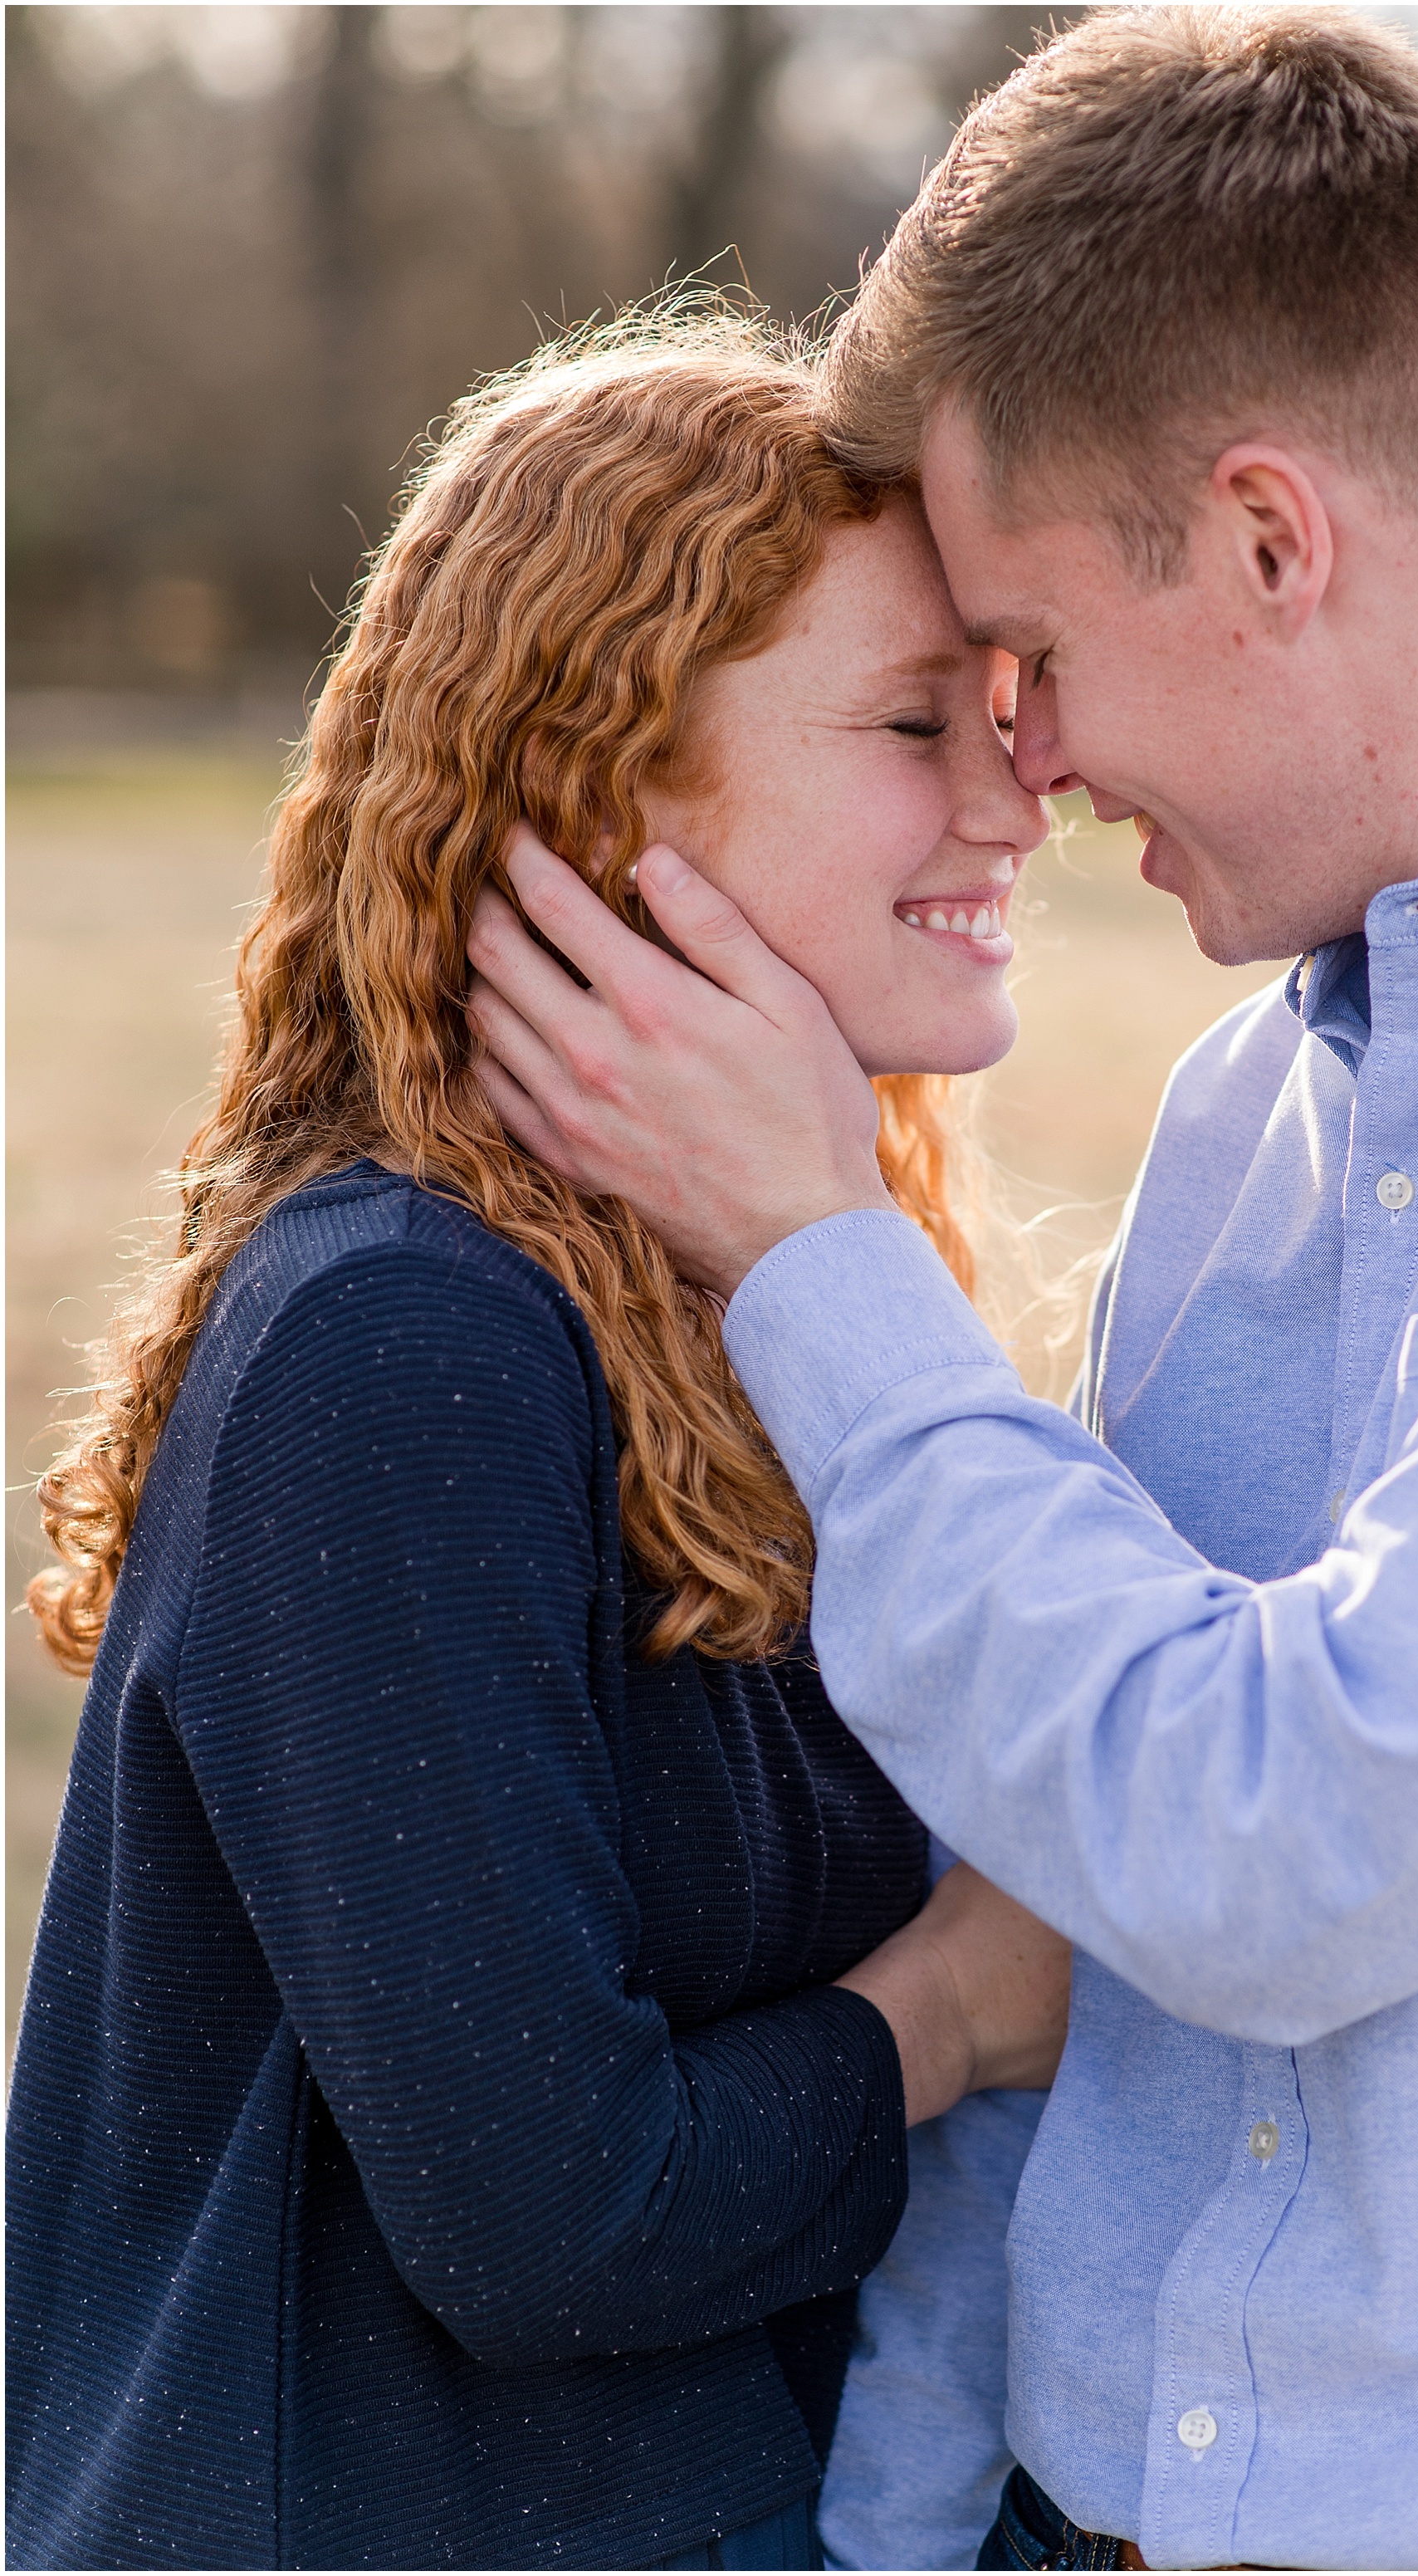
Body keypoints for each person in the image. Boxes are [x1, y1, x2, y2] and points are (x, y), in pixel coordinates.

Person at [462, 12, 1418, 2572]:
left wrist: (819, 1257)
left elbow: (1281, 1845)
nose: (1023, 764)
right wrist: (901, 2522)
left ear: (1267, 543)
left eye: (1022, 642)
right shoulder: (1248, 1117)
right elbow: (1055, 1924)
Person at [6, 323, 1072, 2574]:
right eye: (911, 726)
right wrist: (955, 2011)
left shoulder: (767, 1308)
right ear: (600, 788)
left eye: (1002, 715)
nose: (1010, 796)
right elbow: (547, 2217)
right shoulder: (402, 1336)